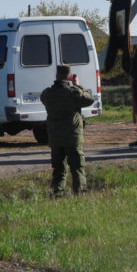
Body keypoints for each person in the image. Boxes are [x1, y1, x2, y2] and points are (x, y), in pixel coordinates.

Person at [40, 65, 96, 196]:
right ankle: (79, 192)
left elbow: (44, 98)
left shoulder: (47, 94)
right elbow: (89, 99)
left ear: (56, 76)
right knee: (77, 167)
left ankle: (57, 192)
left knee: (58, 168)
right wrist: (77, 85)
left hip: (55, 137)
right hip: (72, 137)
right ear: (69, 77)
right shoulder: (73, 93)